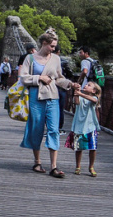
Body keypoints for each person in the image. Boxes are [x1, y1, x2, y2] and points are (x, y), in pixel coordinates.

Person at [18, 30, 74, 178]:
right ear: (44, 43)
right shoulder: (30, 58)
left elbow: (59, 78)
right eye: (52, 46)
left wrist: (70, 84)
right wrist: (39, 78)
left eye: (54, 46)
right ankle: (37, 162)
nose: (54, 49)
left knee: (54, 130)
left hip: (52, 96)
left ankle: (54, 167)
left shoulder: (55, 59)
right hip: (36, 96)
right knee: (36, 128)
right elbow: (23, 77)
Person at [65, 81, 101, 176]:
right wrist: (76, 91)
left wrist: (80, 93)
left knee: (93, 148)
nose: (86, 85)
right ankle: (78, 166)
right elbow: (77, 102)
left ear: (94, 91)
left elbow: (94, 101)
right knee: (78, 148)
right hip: (79, 126)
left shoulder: (94, 97)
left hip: (91, 126)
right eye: (86, 84)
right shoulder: (80, 96)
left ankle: (91, 166)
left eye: (89, 85)